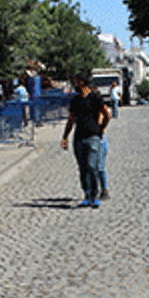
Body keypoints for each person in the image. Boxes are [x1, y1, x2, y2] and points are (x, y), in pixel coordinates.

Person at [61, 75, 110, 207]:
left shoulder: (95, 97)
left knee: (92, 166)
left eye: (76, 82)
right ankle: (87, 195)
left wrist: (101, 129)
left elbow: (107, 113)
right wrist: (65, 137)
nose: (74, 85)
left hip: (93, 137)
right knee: (83, 168)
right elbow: (71, 119)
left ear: (82, 82)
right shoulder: (75, 100)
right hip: (79, 138)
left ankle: (94, 196)